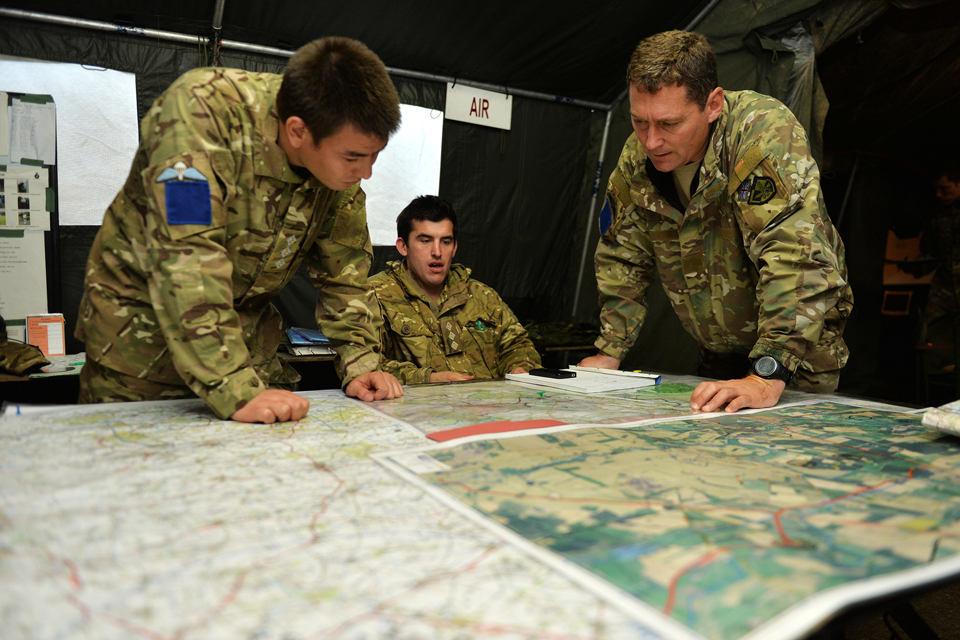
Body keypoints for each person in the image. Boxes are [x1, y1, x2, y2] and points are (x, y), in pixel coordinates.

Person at [75, 37, 404, 424]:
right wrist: (233, 388)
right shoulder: (201, 113)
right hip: (142, 357)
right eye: (354, 156)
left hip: (245, 357)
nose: (365, 172)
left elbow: (344, 276)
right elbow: (187, 259)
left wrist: (360, 363)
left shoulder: (339, 177)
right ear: (297, 131)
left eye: (374, 156)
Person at [579, 30, 853, 413]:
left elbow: (794, 254)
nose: (651, 141)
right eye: (639, 121)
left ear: (713, 104)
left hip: (795, 356)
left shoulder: (760, 132)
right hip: (716, 350)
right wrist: (609, 351)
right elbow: (622, 256)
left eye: (669, 124)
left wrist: (766, 372)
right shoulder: (636, 160)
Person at [371, 195, 541, 383]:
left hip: (488, 406)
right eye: (425, 241)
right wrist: (428, 379)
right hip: (418, 408)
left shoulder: (481, 295)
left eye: (445, 241)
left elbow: (518, 345)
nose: (437, 252)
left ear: (454, 248)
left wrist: (520, 368)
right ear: (403, 247)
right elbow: (365, 364)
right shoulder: (376, 295)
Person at [920, 163, 960, 395]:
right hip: (945, 284)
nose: (939, 195)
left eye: (945, 189)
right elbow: (930, 251)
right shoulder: (937, 214)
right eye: (937, 189)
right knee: (930, 330)